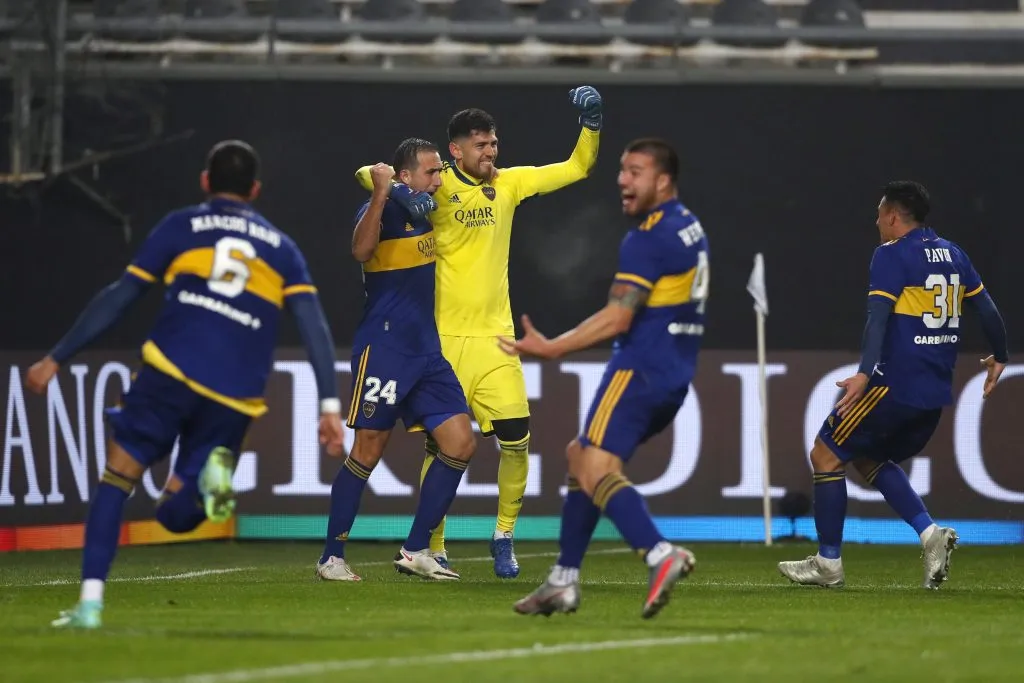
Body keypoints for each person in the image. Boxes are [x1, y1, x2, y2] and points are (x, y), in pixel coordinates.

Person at [25, 140, 344, 629]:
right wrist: (327, 405)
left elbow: (120, 296)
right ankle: (211, 486)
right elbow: (314, 326)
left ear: (204, 182)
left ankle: (89, 604)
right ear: (255, 190)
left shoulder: (181, 226)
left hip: (170, 374)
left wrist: (56, 357)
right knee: (176, 515)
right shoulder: (282, 248)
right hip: (234, 396)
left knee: (117, 479)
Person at [354, 86, 603, 578]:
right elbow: (369, 173)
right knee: (442, 446)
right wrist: (404, 193)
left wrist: (591, 127)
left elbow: (577, 168)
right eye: (481, 144)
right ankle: (434, 546)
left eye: (493, 143)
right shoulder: (436, 185)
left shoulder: (509, 184)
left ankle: (503, 536)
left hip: (495, 339)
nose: (491, 151)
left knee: (517, 438)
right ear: (455, 151)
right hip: (442, 339)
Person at [498, 138, 705, 619]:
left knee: (593, 466)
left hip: (637, 369)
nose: (622, 180)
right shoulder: (689, 226)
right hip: (673, 373)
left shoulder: (647, 237)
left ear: (663, 180)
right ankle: (563, 580)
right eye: (621, 170)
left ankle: (657, 552)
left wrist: (552, 347)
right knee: (580, 457)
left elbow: (618, 318)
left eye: (635, 172)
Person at [778, 180, 1009, 590]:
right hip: (933, 394)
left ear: (892, 216)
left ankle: (828, 563)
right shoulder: (954, 254)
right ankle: (929, 533)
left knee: (825, 454)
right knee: (870, 458)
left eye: (878, 213)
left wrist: (865, 373)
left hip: (892, 385)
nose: (876, 221)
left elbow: (878, 318)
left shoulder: (890, 254)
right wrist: (1000, 356)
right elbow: (987, 310)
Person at [317, 138, 475, 582]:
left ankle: (416, 549)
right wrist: (381, 192)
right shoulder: (381, 210)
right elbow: (360, 252)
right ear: (406, 176)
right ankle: (332, 557)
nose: (439, 180)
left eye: (441, 171)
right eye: (431, 172)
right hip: (384, 349)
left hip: (427, 351)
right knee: (368, 451)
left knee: (461, 442)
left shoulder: (427, 206)